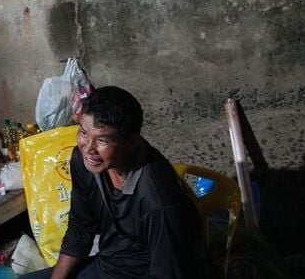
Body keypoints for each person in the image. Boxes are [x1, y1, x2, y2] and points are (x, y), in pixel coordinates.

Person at [23, 86, 212, 278]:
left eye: (102, 141)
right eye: (83, 133)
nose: (88, 148)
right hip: (108, 264)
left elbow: (169, 273)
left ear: (131, 143)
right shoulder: (86, 161)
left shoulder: (157, 201)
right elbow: (81, 227)